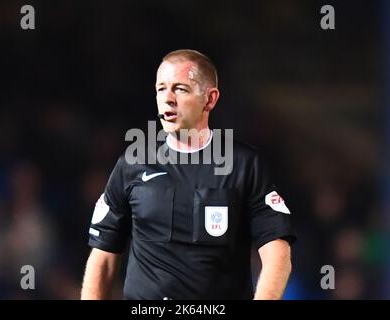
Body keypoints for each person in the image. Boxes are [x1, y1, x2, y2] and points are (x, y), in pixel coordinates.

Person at [81, 49, 296, 300]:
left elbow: (277, 253)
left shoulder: (244, 165)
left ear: (210, 99)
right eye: (161, 89)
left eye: (180, 89)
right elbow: (103, 257)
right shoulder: (133, 164)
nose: (167, 98)